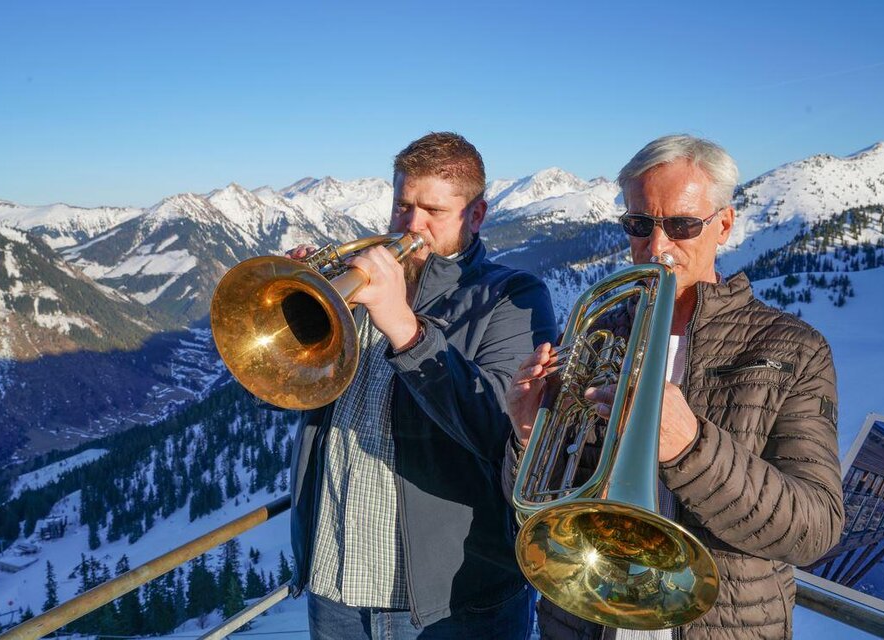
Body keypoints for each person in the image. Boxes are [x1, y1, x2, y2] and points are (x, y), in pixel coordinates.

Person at [503, 134, 844, 639]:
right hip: (587, 612)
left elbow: (815, 528)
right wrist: (529, 436)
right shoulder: (600, 332)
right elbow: (533, 508)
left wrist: (690, 445)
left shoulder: (792, 348)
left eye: (682, 225)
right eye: (640, 224)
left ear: (723, 224)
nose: (656, 246)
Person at [286, 132, 556, 639]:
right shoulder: (358, 281)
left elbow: (500, 428)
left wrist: (405, 329)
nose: (413, 226)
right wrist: (298, 310)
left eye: (433, 210)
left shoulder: (511, 296)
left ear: (476, 216)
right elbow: (284, 390)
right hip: (334, 585)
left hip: (450, 602)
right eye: (403, 206)